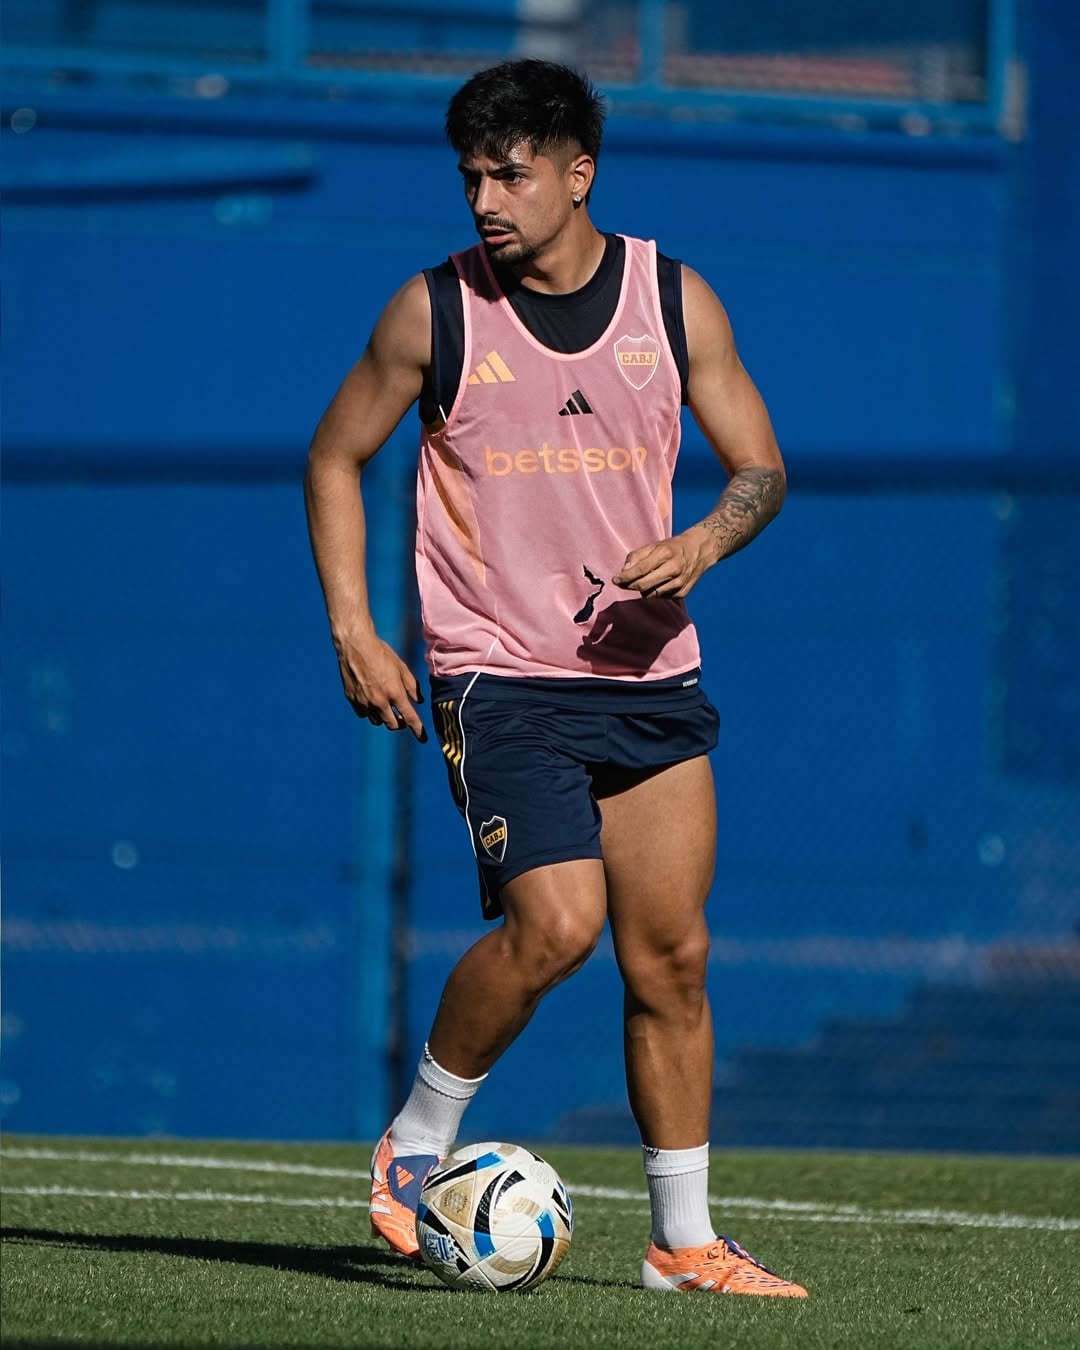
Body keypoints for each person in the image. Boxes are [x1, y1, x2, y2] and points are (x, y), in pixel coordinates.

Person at [304, 59, 806, 1298]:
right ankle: (416, 1142)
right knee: (559, 927)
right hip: (502, 674)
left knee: (672, 958)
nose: (485, 199)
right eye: (471, 177)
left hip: (649, 677)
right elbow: (334, 458)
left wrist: (704, 542)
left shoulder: (672, 300)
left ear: (579, 174)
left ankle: (684, 1245)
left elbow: (761, 469)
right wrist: (356, 630)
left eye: (510, 175)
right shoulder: (435, 313)